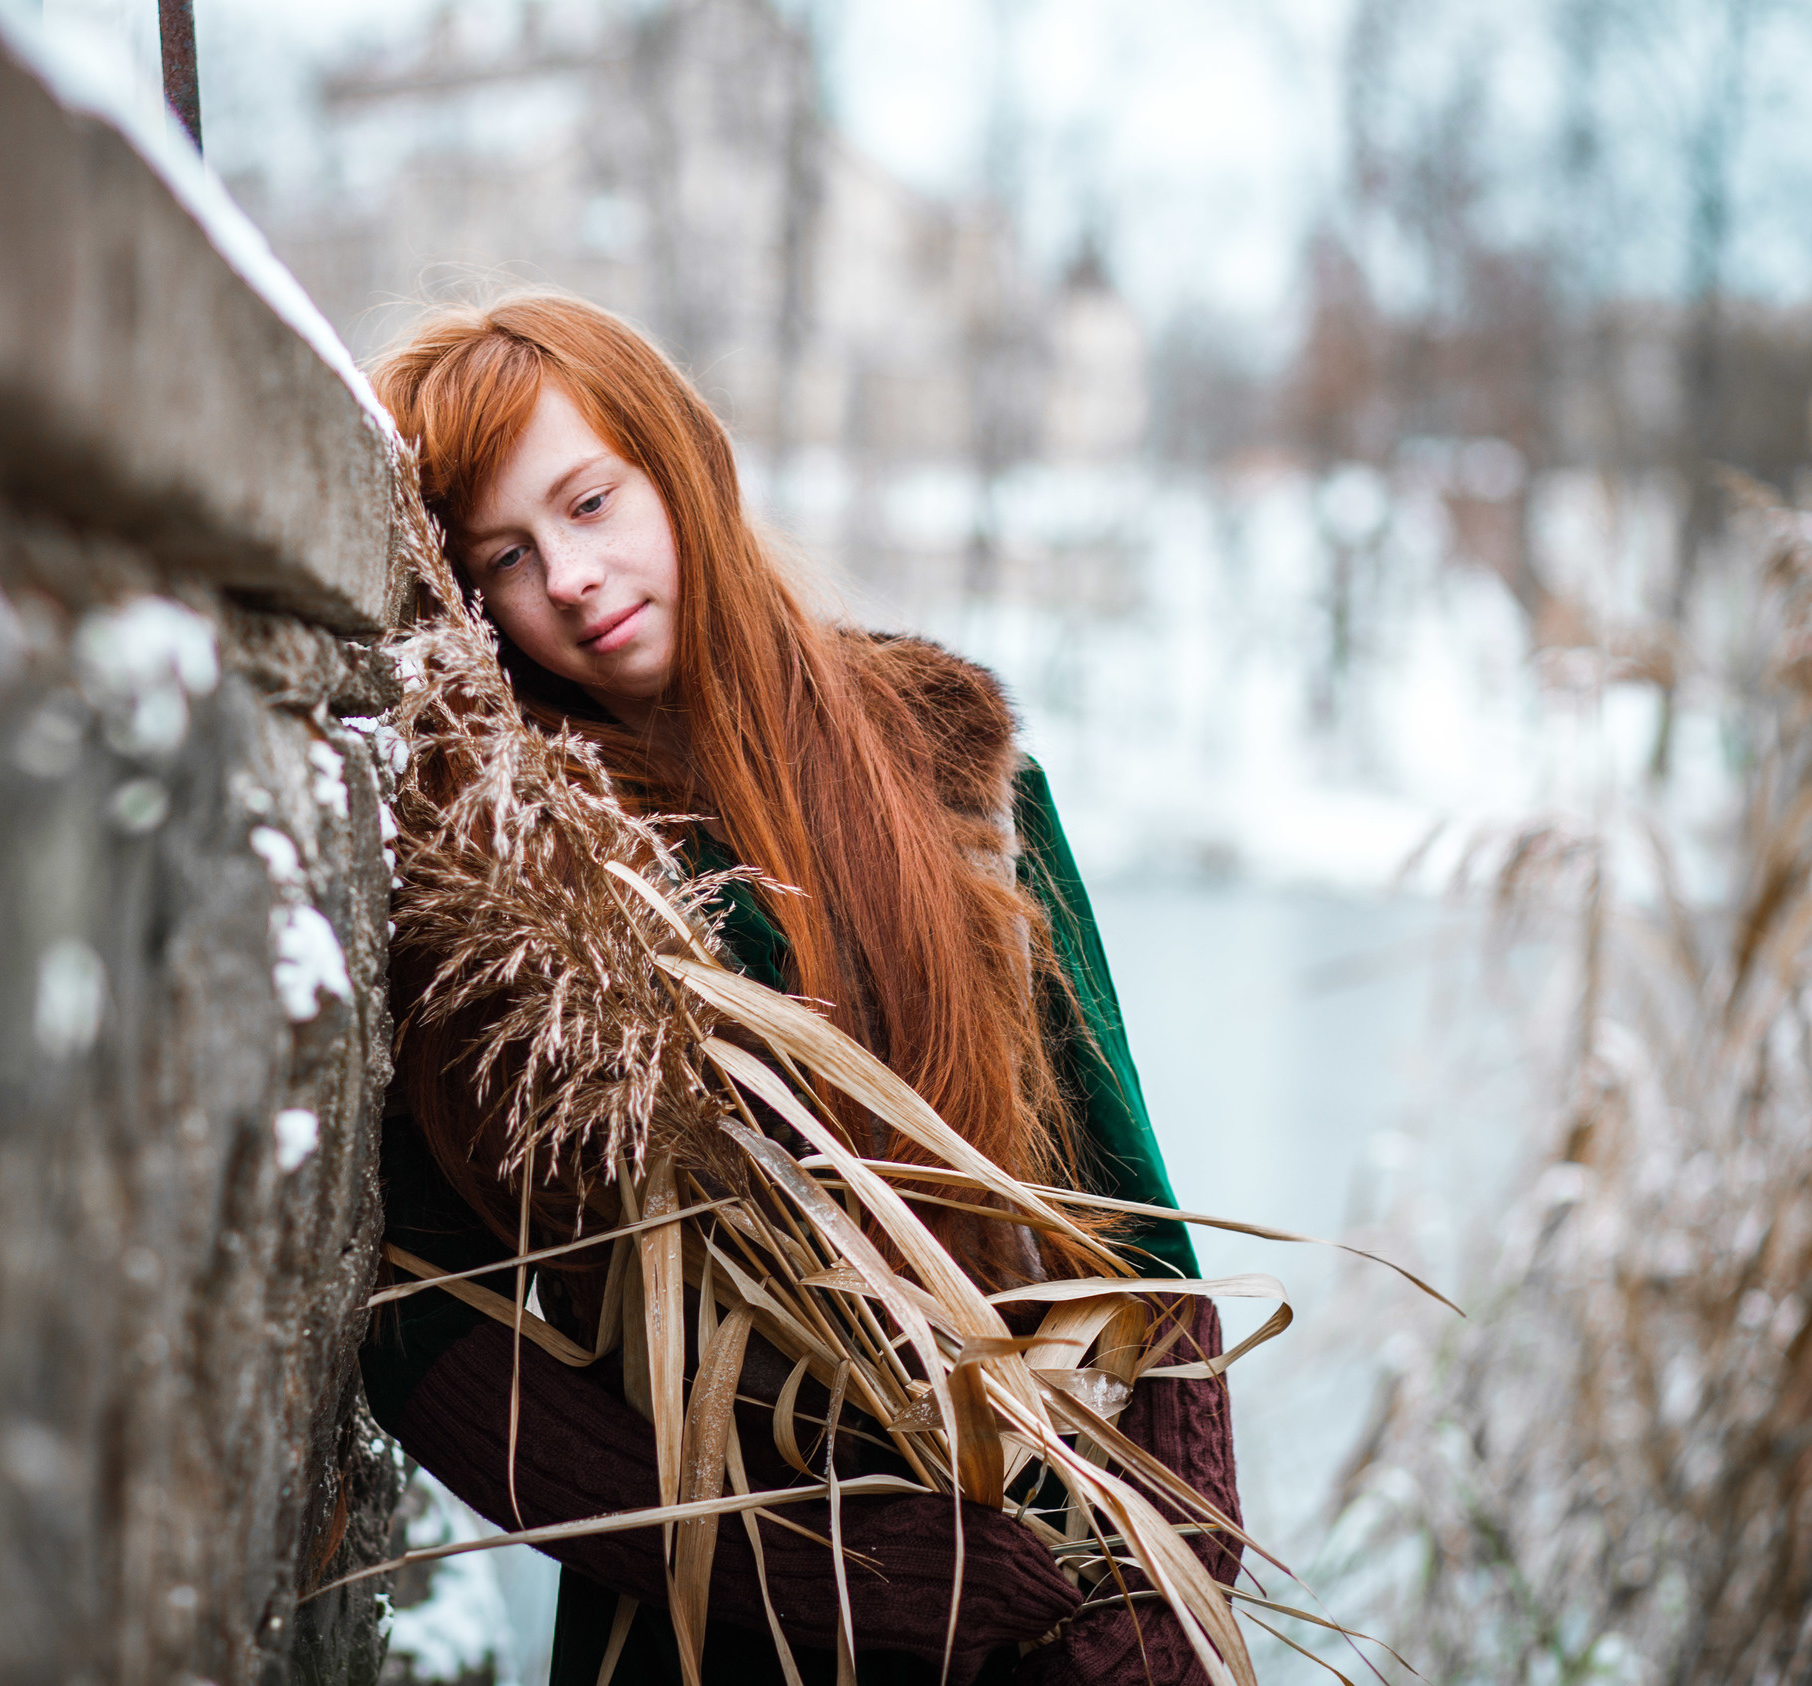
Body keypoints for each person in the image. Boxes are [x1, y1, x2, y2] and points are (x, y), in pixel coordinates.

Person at [361, 292, 1240, 1686]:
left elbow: (1128, 1210)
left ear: (685, 462)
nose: (573, 576)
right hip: (721, 1639)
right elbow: (411, 1316)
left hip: (1054, 1611)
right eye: (509, 557)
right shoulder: (503, 885)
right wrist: (797, 1558)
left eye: (593, 502)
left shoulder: (951, 763)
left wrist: (1170, 1569)